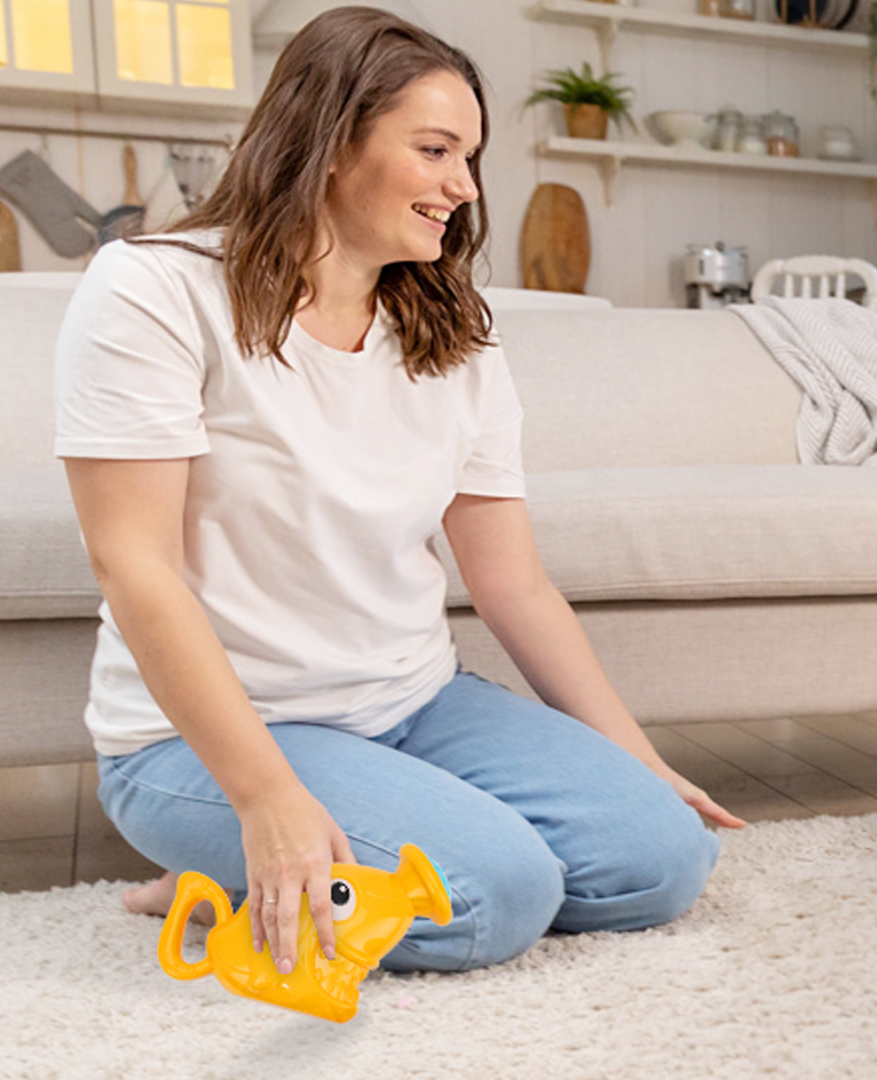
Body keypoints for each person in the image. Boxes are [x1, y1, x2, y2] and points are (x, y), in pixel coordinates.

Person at [55, 7, 740, 976]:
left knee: (662, 860)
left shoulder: (453, 329)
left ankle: (352, 831)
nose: (463, 186)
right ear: (330, 142)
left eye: (470, 156)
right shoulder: (154, 289)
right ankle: (231, 869)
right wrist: (264, 799)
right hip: (205, 740)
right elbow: (134, 566)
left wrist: (639, 760)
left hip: (411, 704)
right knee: (494, 898)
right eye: (435, 149)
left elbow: (514, 585)